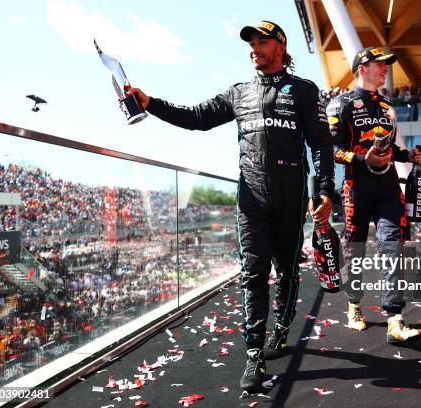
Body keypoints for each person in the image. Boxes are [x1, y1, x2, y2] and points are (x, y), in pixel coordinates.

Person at [125, 20, 334, 391]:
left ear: (281, 47)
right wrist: (150, 103)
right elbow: (195, 118)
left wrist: (324, 191)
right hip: (251, 198)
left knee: (286, 269)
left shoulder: (304, 90)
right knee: (253, 275)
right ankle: (254, 354)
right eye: (251, 43)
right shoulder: (239, 92)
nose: (254, 47)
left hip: (291, 197)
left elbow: (321, 144)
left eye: (262, 41)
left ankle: (282, 329)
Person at [326, 47, 421, 342]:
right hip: (356, 187)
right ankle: (354, 306)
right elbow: (332, 150)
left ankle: (395, 317)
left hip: (388, 187)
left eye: (385, 66)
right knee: (354, 249)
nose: (385, 70)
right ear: (362, 68)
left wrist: (408, 155)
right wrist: (361, 160)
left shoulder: (386, 105)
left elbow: (388, 148)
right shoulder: (340, 104)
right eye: (379, 65)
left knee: (393, 247)